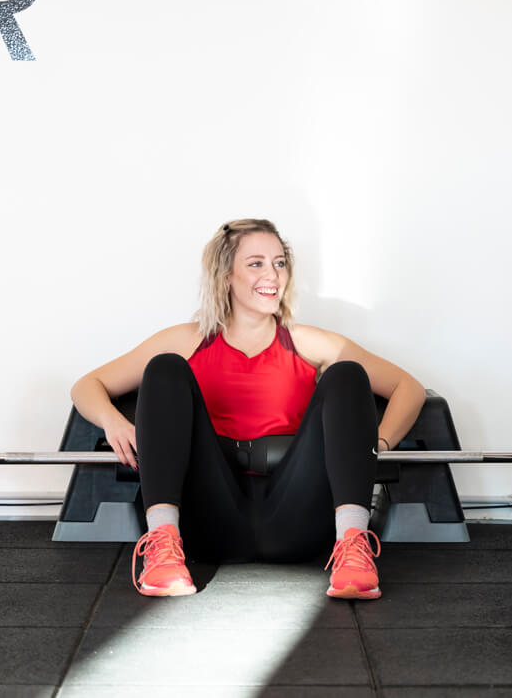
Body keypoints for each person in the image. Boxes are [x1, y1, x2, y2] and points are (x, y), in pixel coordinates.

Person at [71, 218, 425, 599]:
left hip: (298, 517)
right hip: (209, 519)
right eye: (256, 263)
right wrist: (114, 422)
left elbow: (409, 388)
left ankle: (353, 551)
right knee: (164, 368)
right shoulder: (187, 340)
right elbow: (86, 386)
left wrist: (376, 447)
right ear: (226, 275)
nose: (272, 274)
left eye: (279, 263)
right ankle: (162, 550)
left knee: (348, 373)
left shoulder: (308, 342)